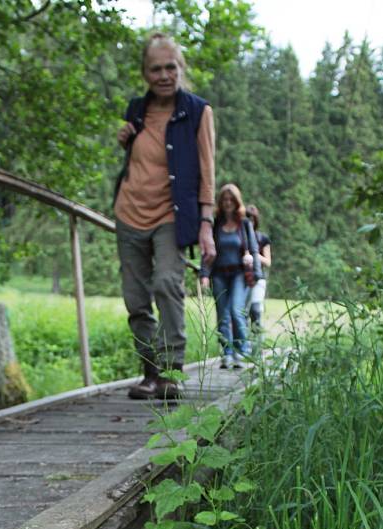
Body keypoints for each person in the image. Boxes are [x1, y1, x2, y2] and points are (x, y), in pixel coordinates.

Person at [114, 32, 216, 400]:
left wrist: (206, 225)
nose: (163, 75)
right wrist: (127, 138)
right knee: (135, 299)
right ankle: (150, 373)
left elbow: (208, 171)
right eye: (155, 69)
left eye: (170, 67)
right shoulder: (136, 109)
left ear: (181, 68)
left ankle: (172, 372)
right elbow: (140, 155)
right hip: (128, 214)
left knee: (167, 284)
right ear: (145, 73)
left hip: (172, 216)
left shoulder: (197, 111)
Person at [199, 184, 263, 368]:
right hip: (219, 273)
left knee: (236, 310)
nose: (227, 203)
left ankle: (242, 350)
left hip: (239, 274)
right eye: (224, 200)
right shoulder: (215, 223)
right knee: (223, 315)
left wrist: (256, 272)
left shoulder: (244, 224)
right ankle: (226, 353)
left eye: (231, 200)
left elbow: (254, 247)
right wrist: (204, 274)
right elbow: (207, 251)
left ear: (236, 202)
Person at [245, 204, 271, 332]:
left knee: (255, 310)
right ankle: (243, 345)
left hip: (258, 278)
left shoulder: (262, 238)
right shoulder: (239, 237)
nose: (250, 221)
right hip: (242, 277)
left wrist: (255, 256)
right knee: (242, 312)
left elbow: (268, 261)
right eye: (247, 218)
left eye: (252, 218)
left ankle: (257, 345)